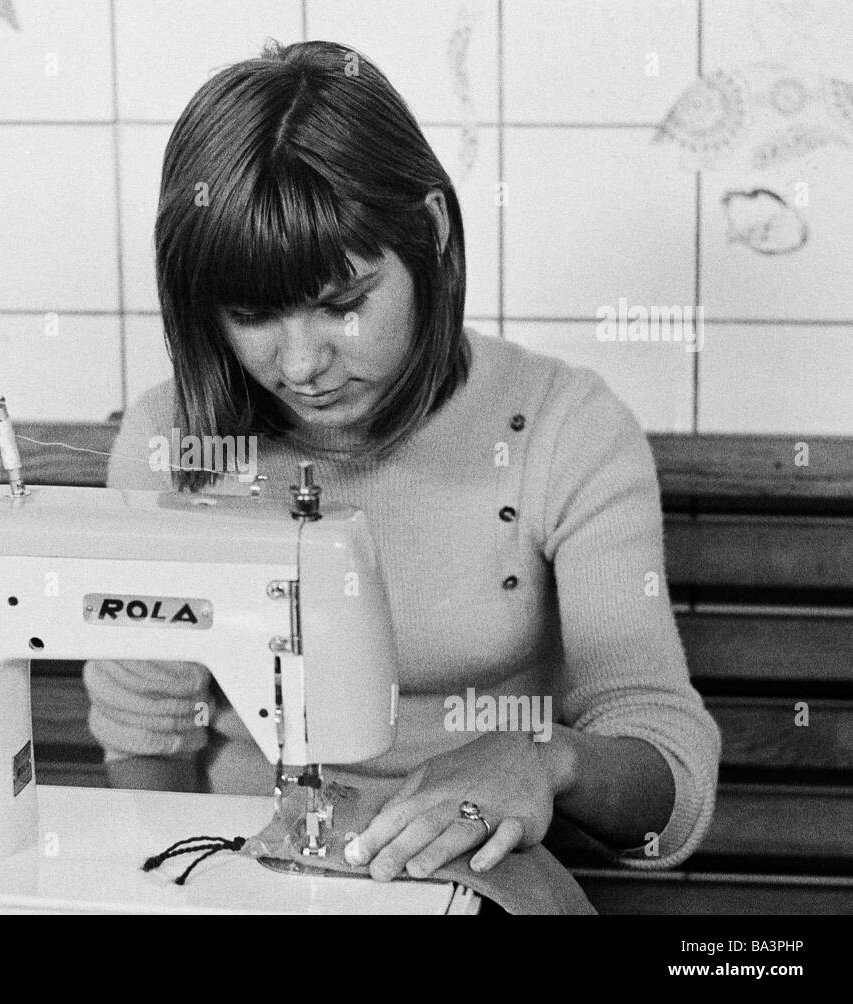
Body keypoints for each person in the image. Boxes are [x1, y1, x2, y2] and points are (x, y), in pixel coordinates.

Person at [83, 39, 720, 884]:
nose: (302, 364)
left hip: (478, 879)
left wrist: (544, 758)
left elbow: (669, 786)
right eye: (252, 315)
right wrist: (174, 891)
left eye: (341, 304)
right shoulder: (178, 444)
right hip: (241, 879)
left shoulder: (566, 429)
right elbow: (147, 736)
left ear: (432, 233)